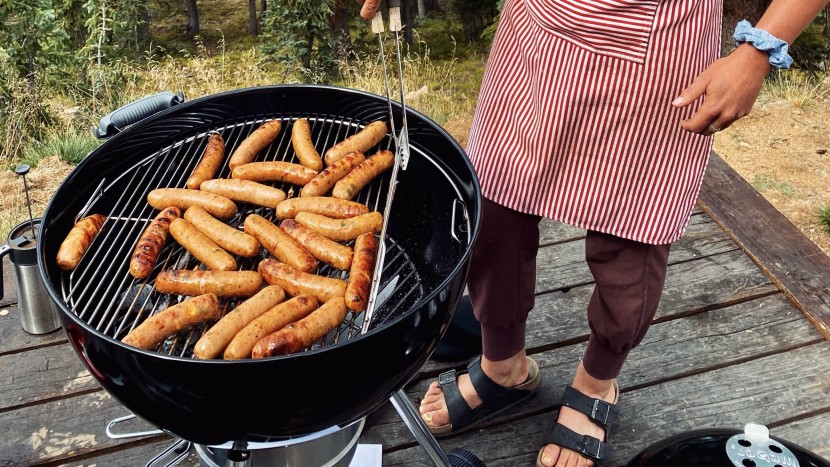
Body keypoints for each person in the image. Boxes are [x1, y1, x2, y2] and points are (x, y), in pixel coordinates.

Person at [359, 0, 829, 466]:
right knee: (496, 212)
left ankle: (597, 381)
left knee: (631, 242)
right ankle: (503, 365)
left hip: (659, 58)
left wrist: (758, 51)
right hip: (537, 37)